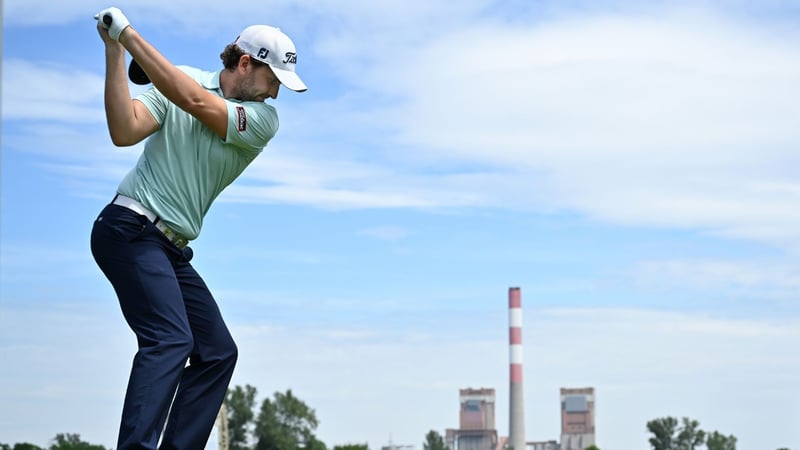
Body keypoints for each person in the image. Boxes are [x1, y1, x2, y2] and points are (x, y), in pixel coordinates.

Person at [90, 7, 307, 449]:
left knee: (217, 353)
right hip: (129, 227)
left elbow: (192, 100)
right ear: (246, 63)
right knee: (170, 340)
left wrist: (128, 36)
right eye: (273, 81)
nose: (275, 94)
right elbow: (124, 129)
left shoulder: (263, 120)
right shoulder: (182, 79)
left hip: (168, 247)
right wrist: (114, 53)